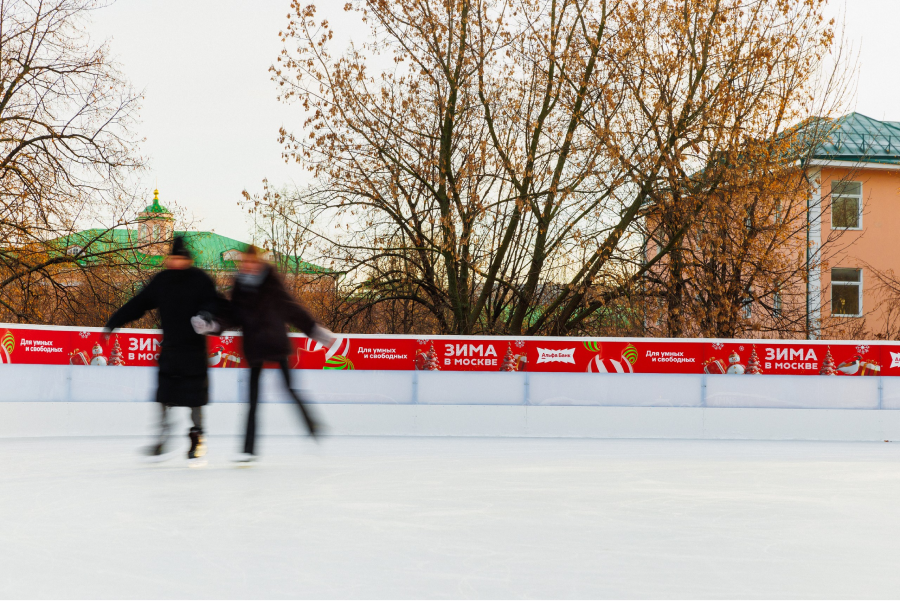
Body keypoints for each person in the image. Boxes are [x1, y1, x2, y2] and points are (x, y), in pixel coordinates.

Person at [196, 245, 333, 464]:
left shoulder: (271, 281)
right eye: (244, 263)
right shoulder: (240, 286)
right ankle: (248, 450)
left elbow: (290, 307)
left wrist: (313, 329)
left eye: (251, 262)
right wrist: (213, 325)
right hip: (254, 347)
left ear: (258, 262)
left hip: (276, 343)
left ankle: (313, 425)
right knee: (252, 400)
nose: (247, 266)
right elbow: (233, 315)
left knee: (289, 388)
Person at [105, 236, 223, 465]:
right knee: (163, 396)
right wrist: (114, 321)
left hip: (194, 351)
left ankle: (197, 438)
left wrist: (206, 315)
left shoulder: (200, 279)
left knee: (195, 399)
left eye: (178, 259)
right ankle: (161, 437)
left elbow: (214, 302)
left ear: (187, 260)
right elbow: (139, 303)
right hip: (170, 349)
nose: (174, 263)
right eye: (172, 259)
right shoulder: (162, 280)